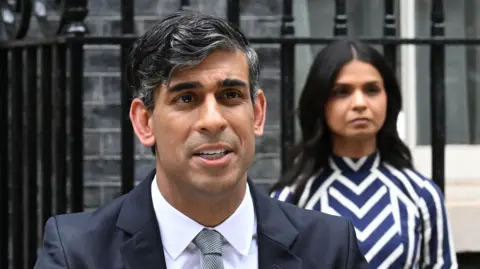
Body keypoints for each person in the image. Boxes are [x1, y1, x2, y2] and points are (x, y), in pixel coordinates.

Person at [34, 11, 369, 269]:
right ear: (144, 121)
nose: (213, 120)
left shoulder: (331, 248)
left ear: (258, 113)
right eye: (187, 98)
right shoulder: (77, 253)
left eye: (230, 94)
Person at [270, 39, 458, 268]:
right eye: (342, 92)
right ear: (320, 102)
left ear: (388, 98)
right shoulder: (291, 200)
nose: (359, 103)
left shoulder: (421, 196)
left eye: (371, 90)